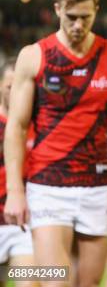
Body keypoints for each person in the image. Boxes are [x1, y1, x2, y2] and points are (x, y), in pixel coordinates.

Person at [3, 0, 107, 287]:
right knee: (56, 280)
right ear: (56, 9)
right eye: (71, 17)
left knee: (88, 283)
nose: (78, 25)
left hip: (97, 186)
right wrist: (15, 191)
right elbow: (17, 127)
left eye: (86, 17)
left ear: (96, 11)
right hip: (48, 185)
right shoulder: (34, 56)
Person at [0, 58, 38, 287]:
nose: (15, 93)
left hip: (23, 224)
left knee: (33, 280)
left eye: (19, 86)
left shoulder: (40, 125)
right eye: (8, 87)